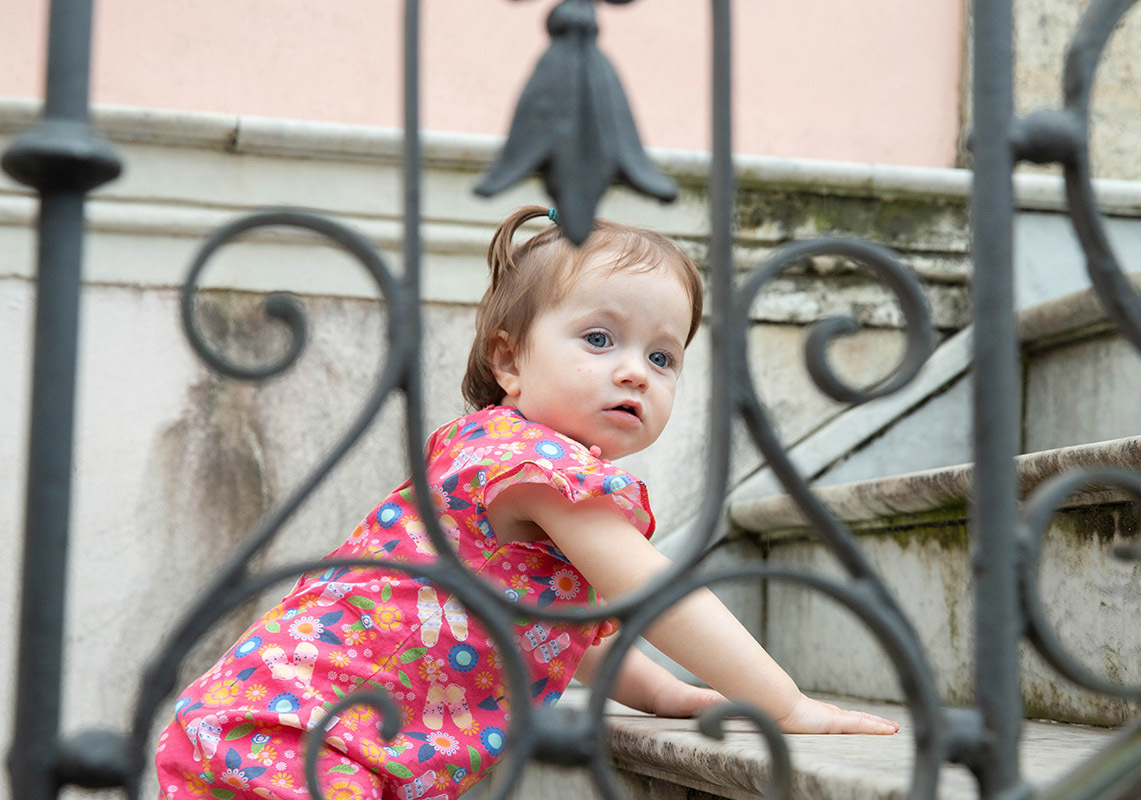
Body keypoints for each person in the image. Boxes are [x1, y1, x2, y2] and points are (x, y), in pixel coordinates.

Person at [156, 206, 898, 800]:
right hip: (292, 740)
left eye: (662, 356)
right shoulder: (532, 463)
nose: (635, 373)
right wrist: (784, 704)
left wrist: (666, 693)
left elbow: (571, 625)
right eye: (600, 339)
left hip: (276, 729)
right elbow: (655, 592)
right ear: (509, 360)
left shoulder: (495, 453)